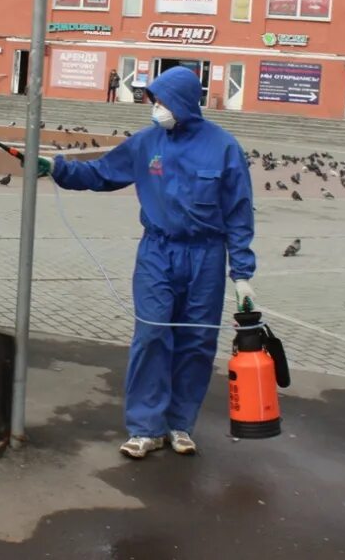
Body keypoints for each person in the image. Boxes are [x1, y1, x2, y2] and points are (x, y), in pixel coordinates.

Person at [37, 66, 256, 459]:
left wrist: (242, 275)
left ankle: (179, 424)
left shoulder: (223, 147)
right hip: (157, 251)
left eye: (162, 101)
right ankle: (145, 426)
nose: (156, 108)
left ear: (185, 102)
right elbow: (103, 173)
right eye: (154, 100)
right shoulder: (146, 143)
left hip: (206, 257)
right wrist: (58, 168)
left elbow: (239, 213)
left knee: (197, 342)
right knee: (152, 335)